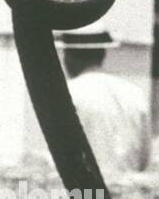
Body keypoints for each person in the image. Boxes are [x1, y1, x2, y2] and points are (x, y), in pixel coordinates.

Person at [57, 28, 151, 174]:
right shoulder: (134, 92)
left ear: (69, 57)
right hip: (128, 190)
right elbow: (144, 160)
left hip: (84, 191)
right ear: (103, 54)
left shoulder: (68, 94)